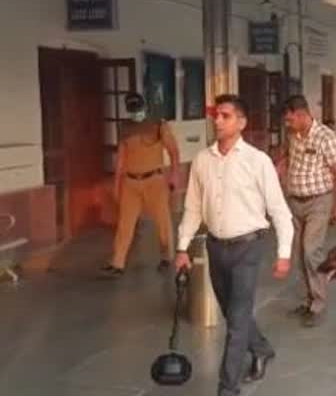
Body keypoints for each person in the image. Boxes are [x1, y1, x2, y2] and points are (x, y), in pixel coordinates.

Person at [174, 94, 294, 396]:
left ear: (241, 123)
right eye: (216, 115)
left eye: (225, 116)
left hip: (248, 248)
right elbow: (192, 208)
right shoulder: (202, 160)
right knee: (231, 312)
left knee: (237, 320)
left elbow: (279, 210)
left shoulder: (258, 161)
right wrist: (182, 247)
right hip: (216, 248)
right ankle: (262, 349)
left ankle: (227, 388)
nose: (218, 120)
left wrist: (283, 254)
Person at [279, 95, 336, 327]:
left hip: (319, 201)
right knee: (300, 253)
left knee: (311, 250)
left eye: (290, 120)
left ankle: (318, 304)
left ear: (301, 114)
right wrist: (281, 170)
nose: (288, 124)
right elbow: (290, 159)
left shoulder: (325, 137)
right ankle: (309, 299)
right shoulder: (293, 136)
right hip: (295, 202)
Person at [102, 92, 180, 277]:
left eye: (138, 108)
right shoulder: (125, 128)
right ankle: (117, 263)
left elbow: (173, 151)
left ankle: (166, 257)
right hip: (130, 182)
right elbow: (121, 159)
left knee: (162, 222)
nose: (136, 112)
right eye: (132, 109)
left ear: (144, 106)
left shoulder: (159, 125)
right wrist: (116, 184)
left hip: (154, 181)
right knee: (125, 224)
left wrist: (175, 175)